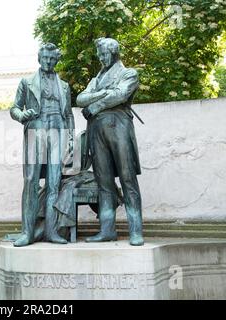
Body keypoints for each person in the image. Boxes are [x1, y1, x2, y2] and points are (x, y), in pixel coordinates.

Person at [76, 37, 144, 246]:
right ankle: (107, 230)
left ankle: (136, 231)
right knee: (104, 182)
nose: (101, 57)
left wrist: (95, 105)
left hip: (119, 127)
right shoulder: (96, 79)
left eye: (104, 53)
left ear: (114, 53)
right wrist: (104, 93)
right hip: (96, 130)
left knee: (127, 178)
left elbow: (121, 95)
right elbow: (80, 99)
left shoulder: (128, 73)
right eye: (99, 54)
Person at [10, 43, 74, 247]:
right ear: (39, 58)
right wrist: (22, 115)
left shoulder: (64, 86)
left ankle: (51, 231)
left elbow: (69, 115)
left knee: (54, 182)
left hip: (58, 127)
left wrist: (71, 139)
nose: (48, 61)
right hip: (36, 127)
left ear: (56, 60)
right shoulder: (27, 82)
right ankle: (27, 233)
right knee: (31, 180)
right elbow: (14, 108)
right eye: (45, 58)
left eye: (52, 58)